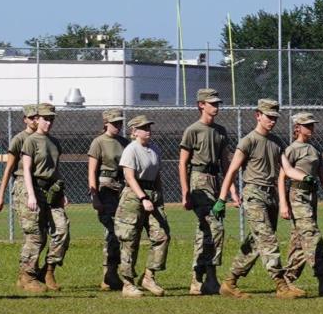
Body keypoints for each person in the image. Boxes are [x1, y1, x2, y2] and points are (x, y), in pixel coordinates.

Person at [217, 99, 307, 299]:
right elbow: (232, 171)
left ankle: (229, 282)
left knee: (257, 242)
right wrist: (222, 198)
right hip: (254, 195)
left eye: (275, 118)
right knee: (267, 239)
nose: (272, 121)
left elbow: (289, 169)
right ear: (258, 115)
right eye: (269, 117)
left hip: (271, 195)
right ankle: (281, 284)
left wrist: (306, 177)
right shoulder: (248, 141)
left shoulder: (277, 142)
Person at [279, 112, 323, 297]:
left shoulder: (315, 149)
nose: (311, 128)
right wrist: (283, 204)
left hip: (312, 197)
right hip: (297, 195)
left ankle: (287, 280)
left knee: (299, 241)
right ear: (297, 128)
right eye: (307, 125)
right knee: (312, 236)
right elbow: (282, 177)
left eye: (312, 125)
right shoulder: (291, 150)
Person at [179, 87, 239, 295]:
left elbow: (226, 164)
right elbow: (183, 163)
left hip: (215, 181)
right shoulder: (192, 130)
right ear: (201, 105)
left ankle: (203, 277)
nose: (216, 107)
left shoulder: (220, 131)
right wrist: (185, 192)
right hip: (199, 180)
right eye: (212, 103)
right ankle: (204, 276)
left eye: (217, 103)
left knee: (206, 229)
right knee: (215, 227)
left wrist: (231, 191)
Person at [114, 115, 171, 297]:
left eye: (149, 127)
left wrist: (158, 197)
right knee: (130, 239)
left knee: (162, 235)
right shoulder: (131, 150)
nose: (148, 130)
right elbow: (129, 177)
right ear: (134, 131)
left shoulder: (154, 148)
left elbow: (158, 175)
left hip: (153, 194)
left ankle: (149, 277)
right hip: (134, 196)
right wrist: (143, 197)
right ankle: (128, 283)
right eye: (144, 127)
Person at [16, 103, 69, 293]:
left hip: (52, 190)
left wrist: (62, 194)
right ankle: (27, 276)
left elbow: (56, 170)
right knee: (36, 235)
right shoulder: (30, 141)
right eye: (45, 119)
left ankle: (48, 271)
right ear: (37, 119)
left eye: (51, 119)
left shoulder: (55, 142)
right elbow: (27, 170)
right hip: (34, 189)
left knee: (62, 229)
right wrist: (31, 194)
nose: (48, 122)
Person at [88, 109, 128, 291]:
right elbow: (92, 171)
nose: (118, 126)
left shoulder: (124, 143)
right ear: (106, 123)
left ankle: (113, 273)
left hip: (122, 188)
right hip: (105, 188)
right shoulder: (99, 142)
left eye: (120, 123)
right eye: (114, 123)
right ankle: (108, 274)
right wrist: (95, 196)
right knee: (112, 230)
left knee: (122, 232)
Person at [0, 104, 37, 212]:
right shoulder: (19, 139)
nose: (34, 121)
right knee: (31, 226)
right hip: (24, 184)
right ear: (25, 120)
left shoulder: (43, 138)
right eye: (31, 118)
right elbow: (8, 168)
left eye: (37, 118)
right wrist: (0, 196)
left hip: (41, 182)